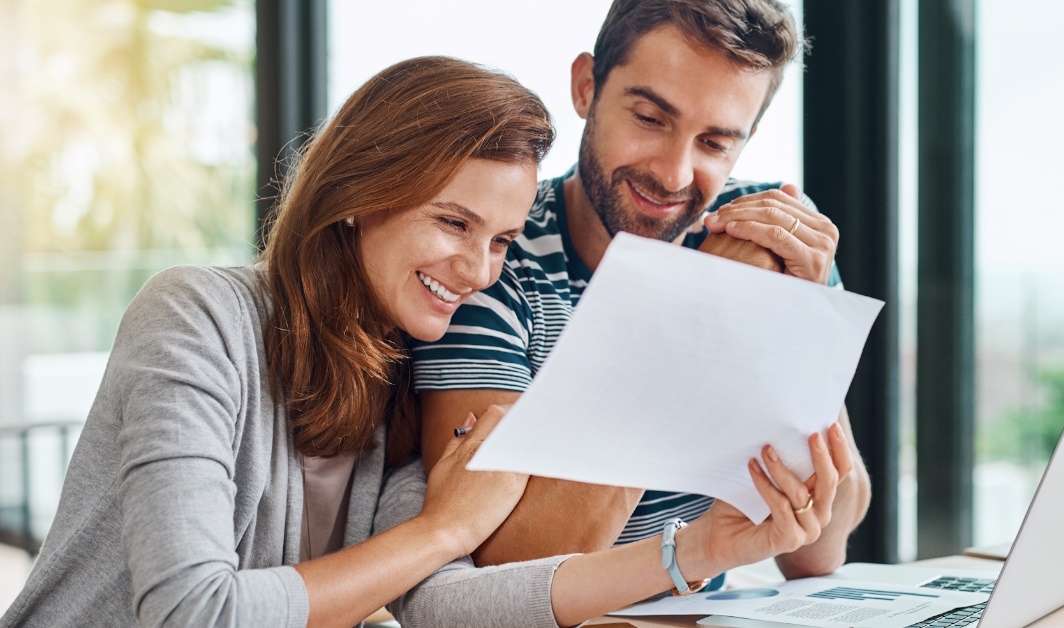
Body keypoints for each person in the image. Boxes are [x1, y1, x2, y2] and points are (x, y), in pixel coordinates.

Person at [1, 56, 847, 628]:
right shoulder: (194, 317)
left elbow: (442, 606)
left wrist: (695, 552)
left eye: (504, 239)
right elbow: (194, 612)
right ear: (358, 195)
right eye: (453, 221)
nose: (478, 269)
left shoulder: (400, 369)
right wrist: (443, 529)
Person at [412, 0, 872, 584]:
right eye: (651, 118)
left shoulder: (768, 241)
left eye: (714, 143)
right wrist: (693, 315)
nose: (675, 174)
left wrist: (801, 325)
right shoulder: (493, 260)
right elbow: (499, 568)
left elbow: (817, 551)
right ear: (586, 88)